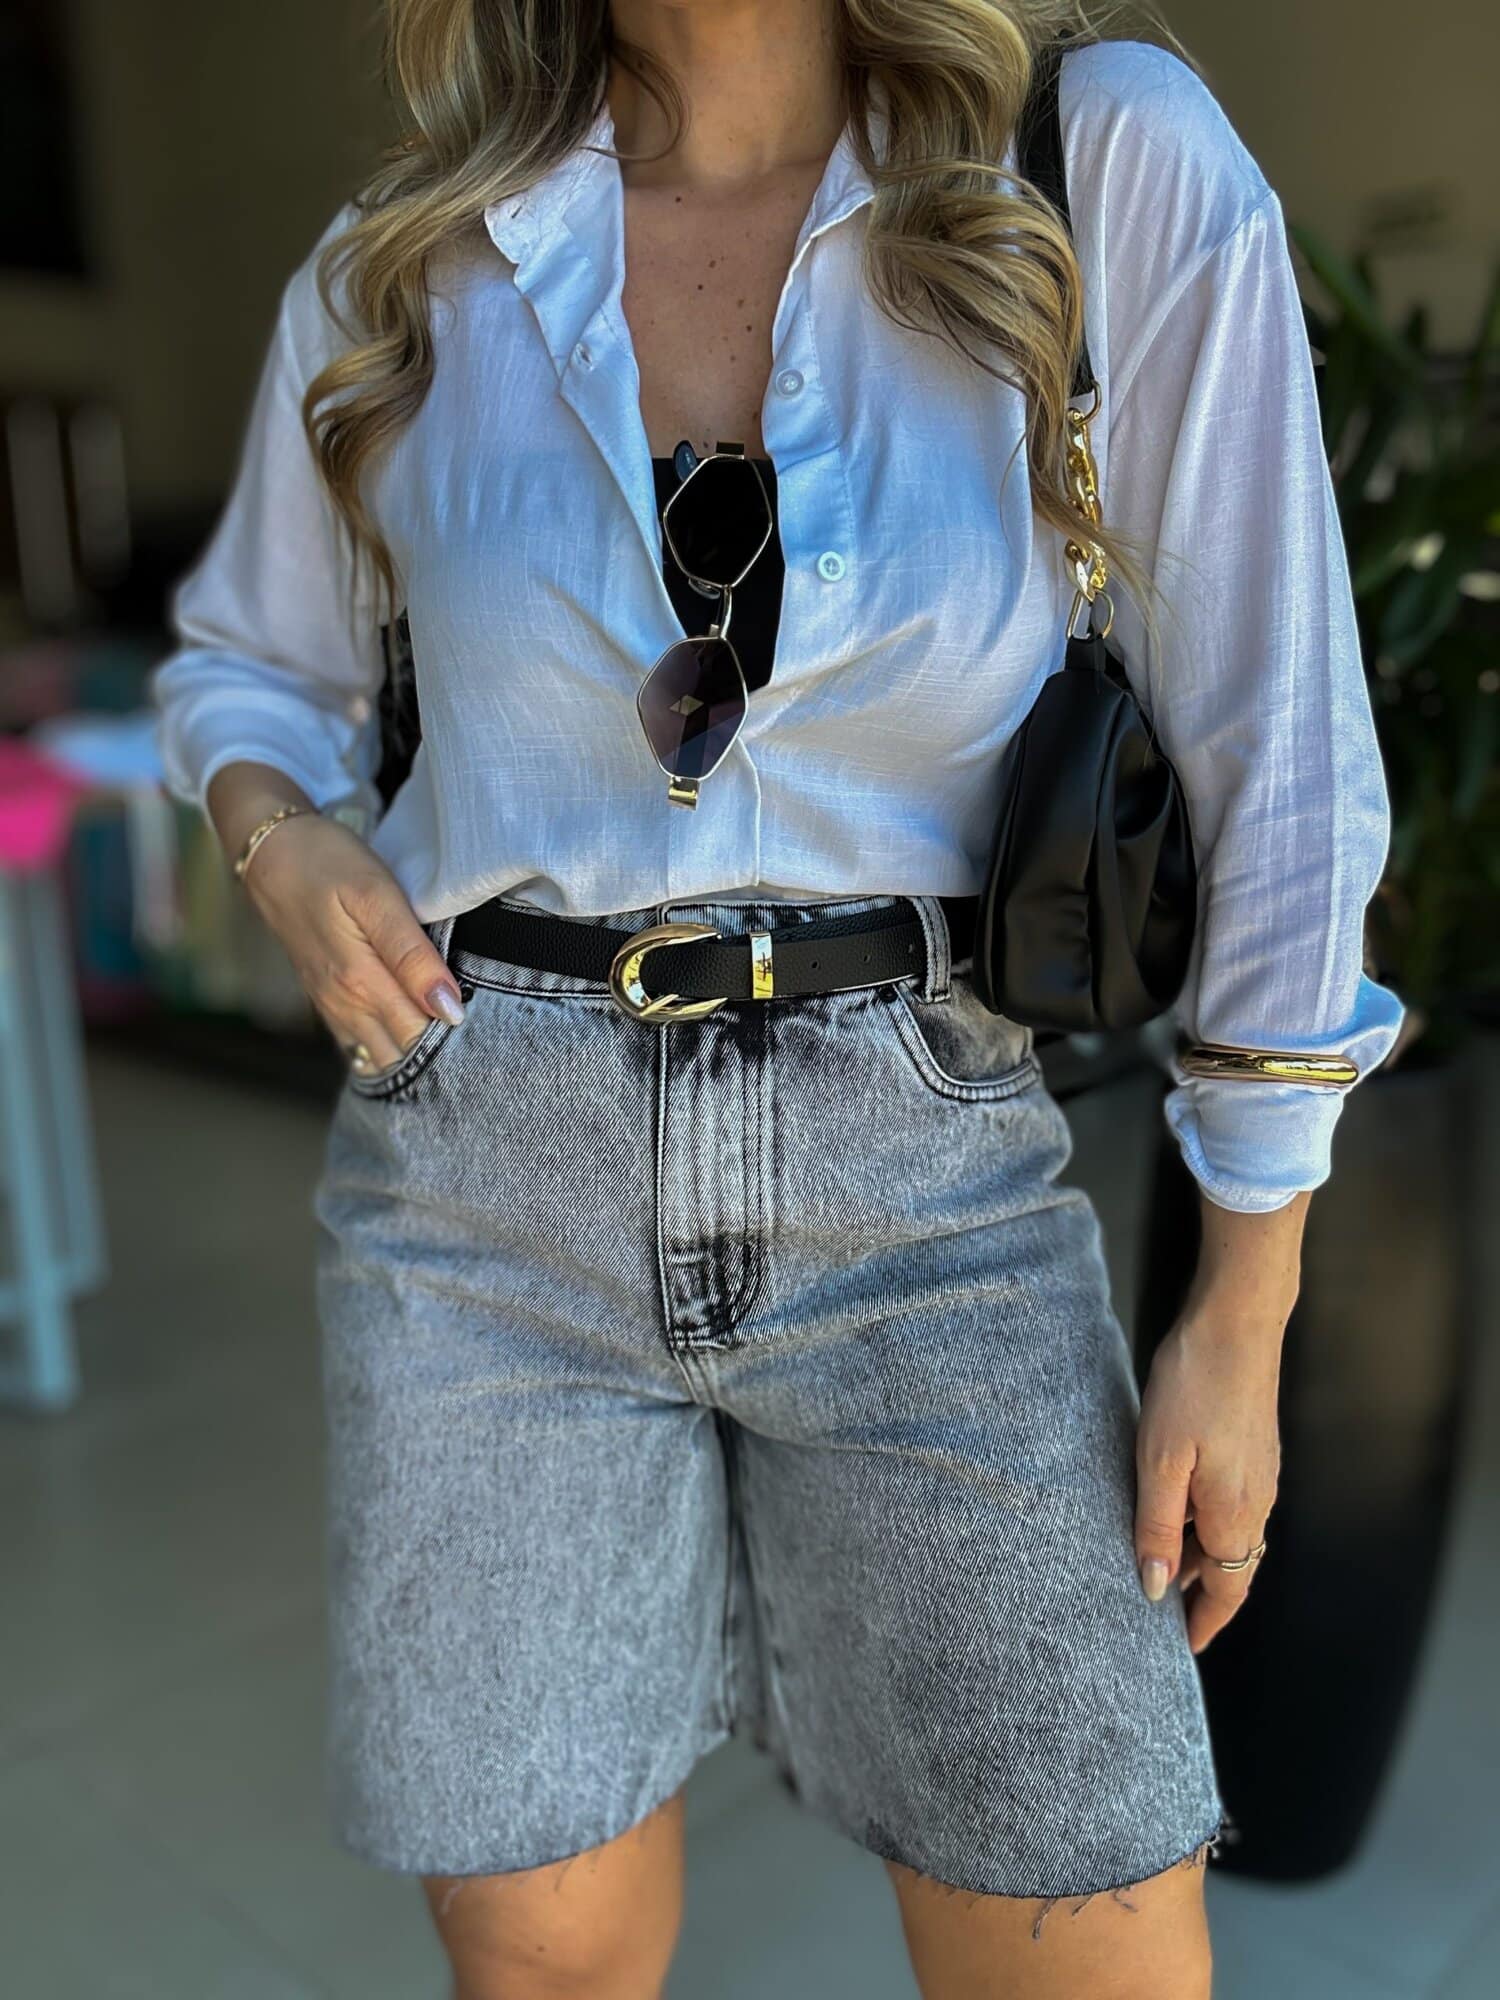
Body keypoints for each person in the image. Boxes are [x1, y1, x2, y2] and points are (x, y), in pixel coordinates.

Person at [151, 3, 1405, 1995]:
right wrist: (279, 835)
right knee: (544, 1953)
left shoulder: (1093, 155)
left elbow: (1284, 745)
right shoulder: (416, 250)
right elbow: (246, 664)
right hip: (487, 1187)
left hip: (929, 1187)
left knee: (1086, 1931)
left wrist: (1242, 1306)